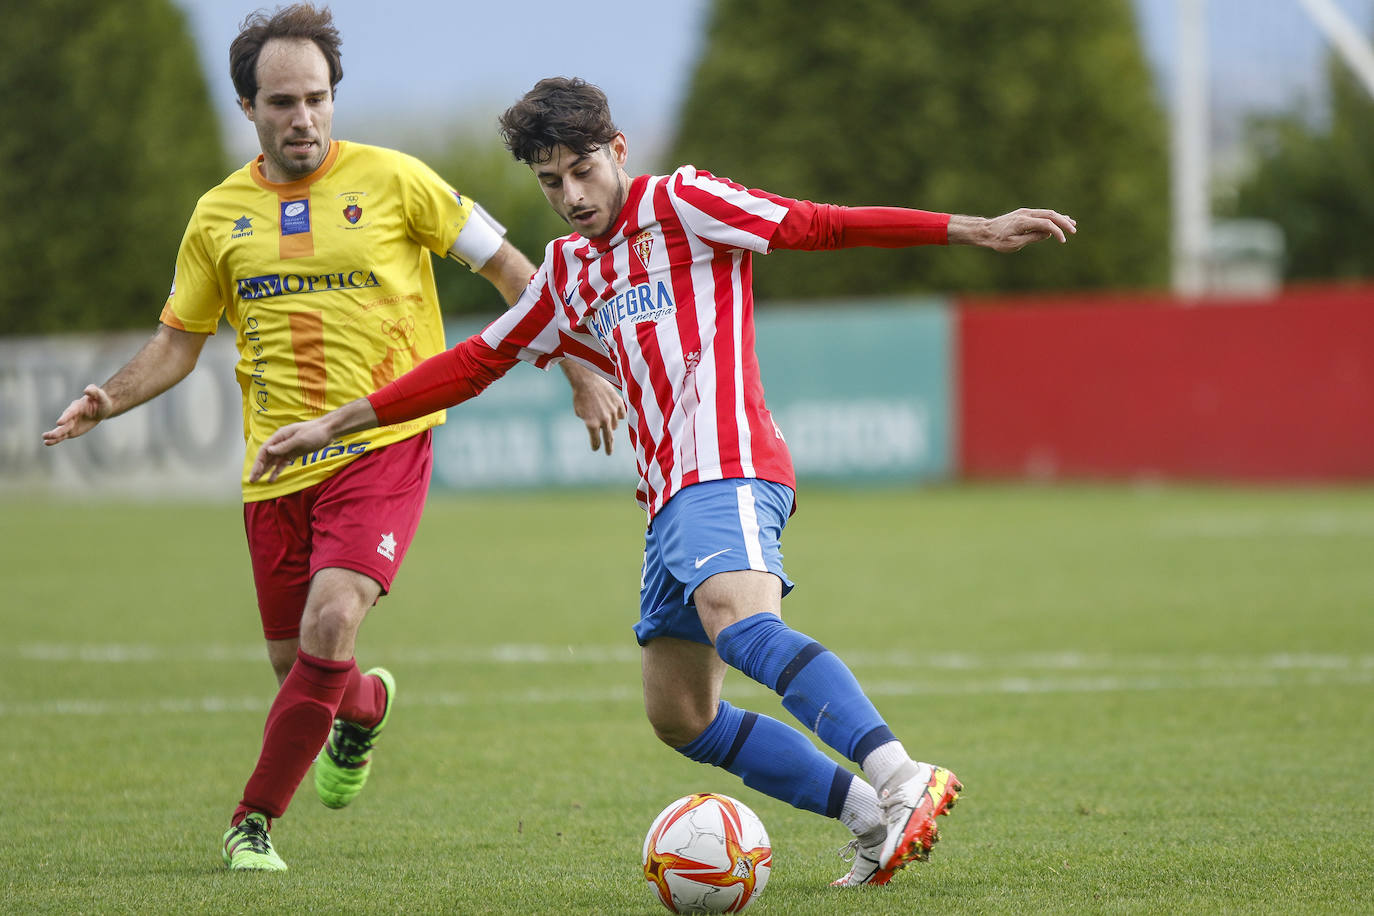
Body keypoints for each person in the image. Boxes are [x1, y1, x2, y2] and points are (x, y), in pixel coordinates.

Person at [251, 76, 1076, 887]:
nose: (571, 195)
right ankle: (867, 817)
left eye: (583, 170)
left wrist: (969, 229)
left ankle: (901, 776)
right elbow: (474, 362)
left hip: (728, 463)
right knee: (680, 714)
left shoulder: (682, 202)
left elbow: (815, 226)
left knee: (737, 622)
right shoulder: (570, 271)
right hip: (666, 502)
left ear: (618, 150)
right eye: (550, 181)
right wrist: (336, 422)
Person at [41, 13, 622, 872]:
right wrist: (106, 396)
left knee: (334, 614)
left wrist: (579, 369)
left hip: (385, 441)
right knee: (302, 664)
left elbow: (515, 275)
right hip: (277, 466)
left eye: (318, 98)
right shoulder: (217, 218)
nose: (304, 117)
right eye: (283, 101)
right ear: (250, 108)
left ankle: (251, 822)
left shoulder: (399, 181)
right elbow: (178, 341)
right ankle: (362, 709)